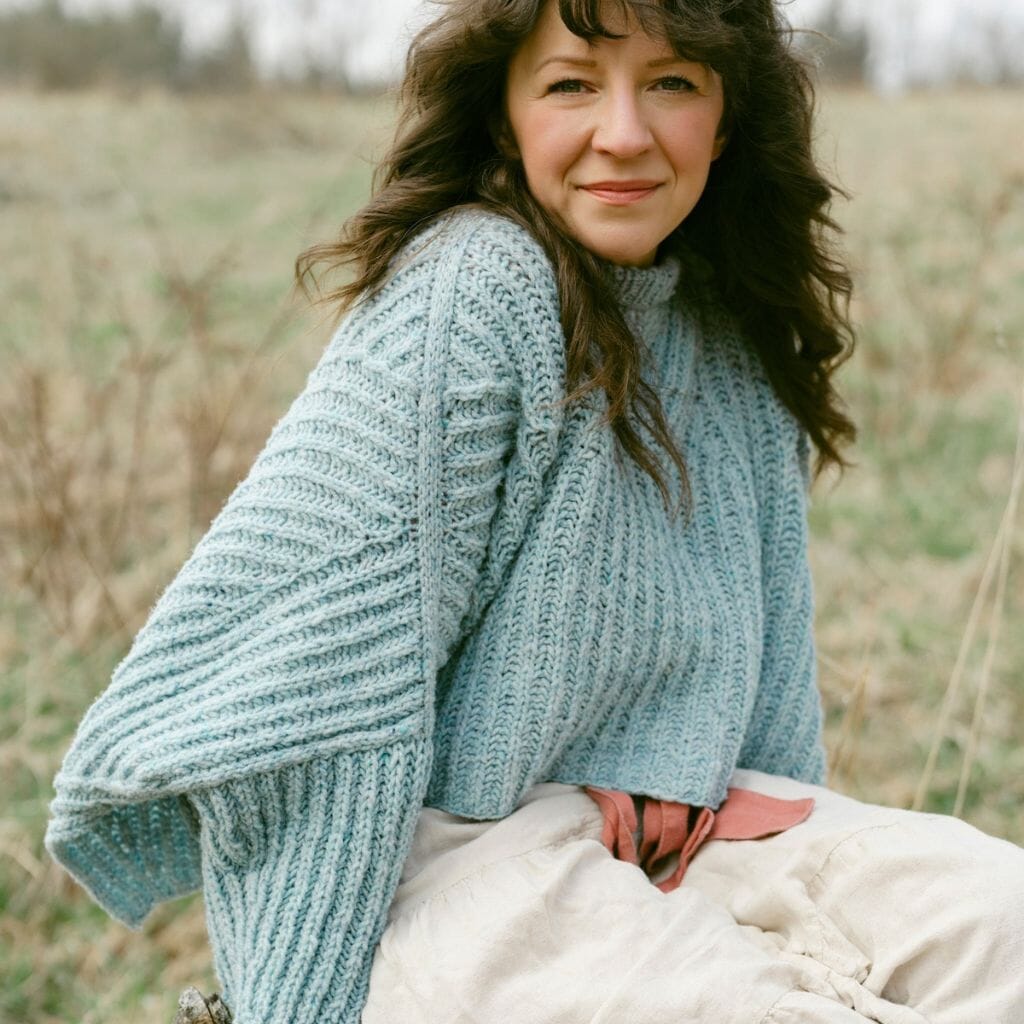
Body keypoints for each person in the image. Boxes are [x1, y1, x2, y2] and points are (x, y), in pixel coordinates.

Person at [46, 1, 1024, 1022]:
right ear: (505, 112)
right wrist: (300, 992)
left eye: (673, 82)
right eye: (570, 84)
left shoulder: (730, 325)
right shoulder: (477, 287)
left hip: (691, 836)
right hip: (458, 855)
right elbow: (319, 677)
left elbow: (767, 678)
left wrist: (785, 832)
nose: (624, 132)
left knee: (1001, 920)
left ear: (726, 118)